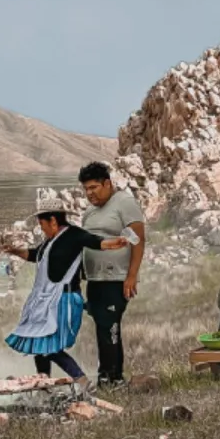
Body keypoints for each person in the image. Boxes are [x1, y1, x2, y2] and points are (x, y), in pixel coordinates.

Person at [3, 197, 129, 393]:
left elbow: (97, 243)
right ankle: (43, 386)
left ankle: (83, 383)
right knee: (39, 344)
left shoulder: (74, 236)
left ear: (53, 220)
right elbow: (36, 255)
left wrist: (117, 243)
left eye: (42, 224)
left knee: (49, 347)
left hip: (63, 301)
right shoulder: (49, 242)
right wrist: (15, 251)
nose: (41, 228)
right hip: (47, 301)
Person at [78, 162, 147, 389]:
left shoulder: (124, 203)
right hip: (95, 280)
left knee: (110, 326)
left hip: (116, 278)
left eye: (94, 187)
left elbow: (138, 239)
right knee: (101, 325)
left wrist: (132, 276)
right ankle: (107, 375)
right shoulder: (89, 211)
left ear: (107, 183)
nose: (90, 193)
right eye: (86, 189)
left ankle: (112, 377)